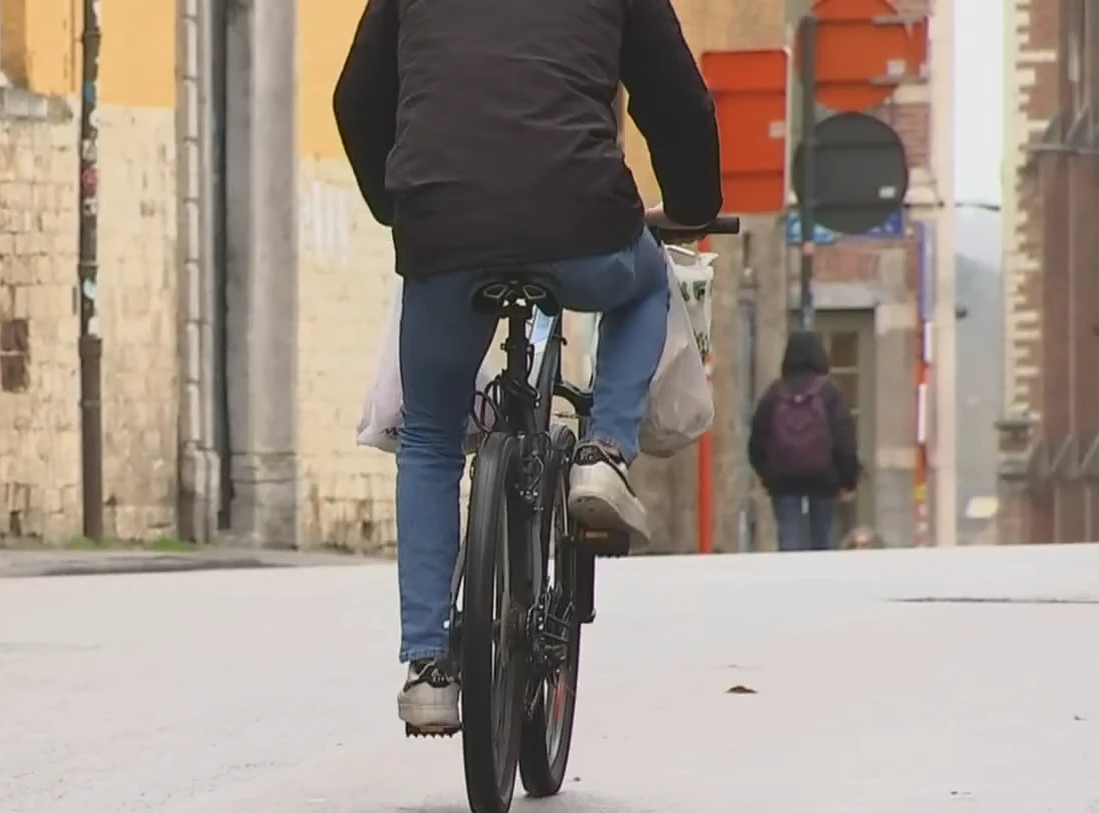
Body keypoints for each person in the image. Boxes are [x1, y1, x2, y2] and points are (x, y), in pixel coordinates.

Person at [332, 0, 723, 734]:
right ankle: (606, 450)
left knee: (429, 438)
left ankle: (427, 667)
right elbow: (675, 96)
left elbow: (355, 97)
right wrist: (695, 206)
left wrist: (400, 206)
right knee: (645, 287)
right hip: (581, 219)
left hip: (441, 227)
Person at [748, 330, 861, 552]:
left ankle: (791, 583)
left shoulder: (774, 393)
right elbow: (843, 438)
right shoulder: (829, 392)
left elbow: (757, 441)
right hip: (823, 481)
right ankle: (819, 584)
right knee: (822, 538)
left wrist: (768, 476)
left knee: (788, 537)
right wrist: (848, 479)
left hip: (784, 483)